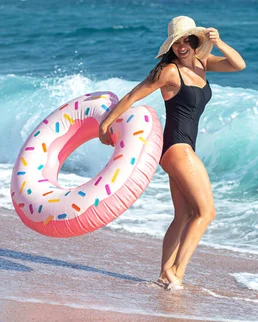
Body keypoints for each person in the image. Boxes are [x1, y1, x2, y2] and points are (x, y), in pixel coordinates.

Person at [98, 16, 246, 290]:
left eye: (185, 40)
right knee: (206, 212)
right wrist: (105, 123)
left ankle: (165, 273)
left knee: (184, 215)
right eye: (175, 42)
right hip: (177, 146)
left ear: (194, 40)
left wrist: (219, 42)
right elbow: (133, 96)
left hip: (181, 148)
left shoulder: (203, 64)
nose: (180, 46)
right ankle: (177, 272)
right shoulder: (169, 71)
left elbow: (239, 64)